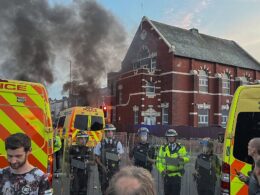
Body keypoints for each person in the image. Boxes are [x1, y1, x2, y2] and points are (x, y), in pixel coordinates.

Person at [156, 129, 190, 195]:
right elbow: (158, 161)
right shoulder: (163, 148)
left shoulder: (181, 148)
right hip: (166, 176)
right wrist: (162, 170)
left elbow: (187, 158)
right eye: (169, 137)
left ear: (175, 138)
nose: (171, 138)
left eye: (172, 137)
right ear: (167, 138)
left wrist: (182, 159)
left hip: (176, 176)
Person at [94, 124, 124, 195]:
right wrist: (102, 166)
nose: (109, 133)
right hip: (103, 170)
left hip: (114, 170)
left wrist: (109, 156)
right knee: (104, 189)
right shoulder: (100, 143)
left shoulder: (117, 143)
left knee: (114, 189)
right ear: (105, 133)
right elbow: (96, 157)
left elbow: (120, 156)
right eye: (107, 131)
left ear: (113, 132)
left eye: (111, 131)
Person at [69, 130, 93, 195]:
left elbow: (93, 162)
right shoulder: (72, 149)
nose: (83, 140)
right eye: (81, 138)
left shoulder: (88, 149)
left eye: (85, 138)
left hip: (85, 173)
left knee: (84, 191)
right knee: (75, 190)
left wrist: (88, 162)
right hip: (75, 173)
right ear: (77, 139)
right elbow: (67, 162)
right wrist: (69, 173)